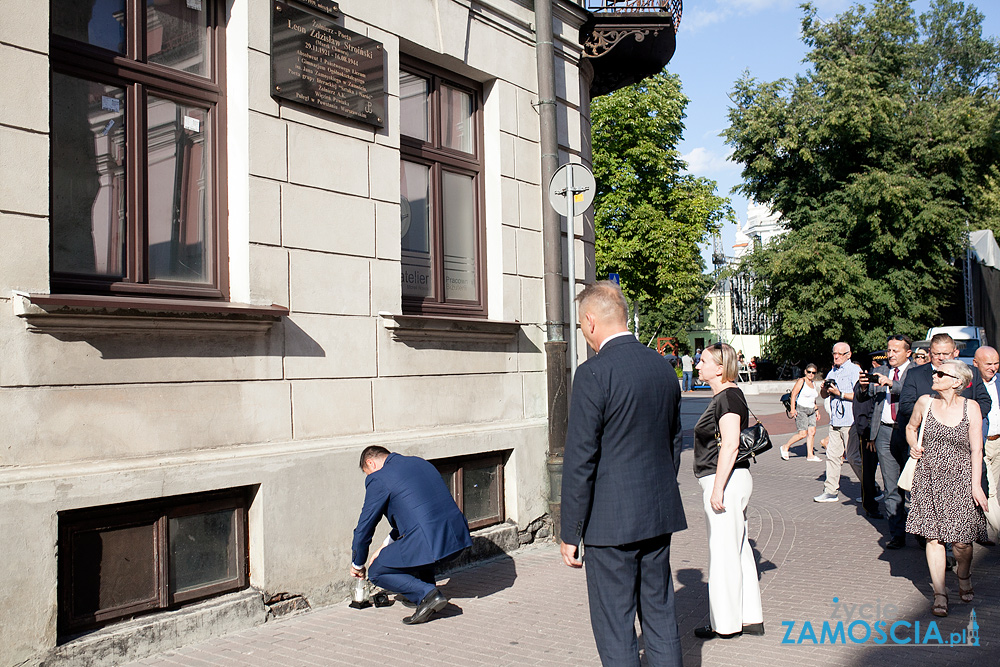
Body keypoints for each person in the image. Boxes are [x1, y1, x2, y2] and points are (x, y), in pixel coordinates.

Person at [560, 281, 686, 667]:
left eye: (582, 326)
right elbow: (673, 442)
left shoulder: (593, 373)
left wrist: (570, 532)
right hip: (657, 514)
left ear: (591, 322)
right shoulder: (663, 368)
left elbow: (581, 458)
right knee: (661, 616)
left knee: (615, 626)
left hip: (609, 525)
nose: (584, 333)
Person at [350, 446, 472, 625]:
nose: (369, 477)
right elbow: (414, 515)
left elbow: (365, 527)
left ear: (370, 462)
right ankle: (425, 588)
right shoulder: (419, 463)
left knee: (377, 570)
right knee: (417, 543)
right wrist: (384, 546)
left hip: (428, 541)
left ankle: (427, 595)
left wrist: (357, 563)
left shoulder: (378, 478)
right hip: (457, 537)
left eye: (367, 472)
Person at [692, 343, 764, 639]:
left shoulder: (727, 397)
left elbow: (731, 444)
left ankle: (725, 623)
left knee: (722, 553)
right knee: (739, 548)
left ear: (719, 368)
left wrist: (717, 488)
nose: (698, 365)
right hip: (733, 479)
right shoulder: (728, 395)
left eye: (704, 361)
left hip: (726, 479)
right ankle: (749, 617)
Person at [905, 360, 988, 617]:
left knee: (962, 543)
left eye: (941, 373)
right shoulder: (925, 403)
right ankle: (940, 593)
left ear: (957, 382)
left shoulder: (971, 408)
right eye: (935, 372)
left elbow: (977, 449)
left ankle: (964, 576)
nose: (935, 375)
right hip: (928, 479)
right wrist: (912, 445)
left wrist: (976, 486)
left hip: (961, 482)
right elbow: (910, 428)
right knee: (933, 537)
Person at [855, 336, 913, 542]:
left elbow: (912, 395)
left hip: (908, 433)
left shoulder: (916, 371)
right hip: (884, 432)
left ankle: (922, 535)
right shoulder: (878, 371)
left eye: (896, 350)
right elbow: (866, 400)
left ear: (908, 352)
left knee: (914, 485)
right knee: (891, 486)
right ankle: (897, 534)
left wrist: (892, 384)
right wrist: (862, 387)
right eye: (889, 350)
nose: (891, 354)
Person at [814, 343, 862, 503]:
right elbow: (824, 396)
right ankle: (830, 491)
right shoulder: (832, 371)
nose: (836, 357)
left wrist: (839, 393)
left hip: (850, 421)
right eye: (834, 353)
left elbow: (859, 396)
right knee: (832, 456)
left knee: (854, 457)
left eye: (840, 354)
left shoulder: (855, 371)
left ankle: (870, 487)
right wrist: (824, 388)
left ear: (849, 354)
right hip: (836, 421)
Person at [973, 346, 1000, 543]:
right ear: (976, 364)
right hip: (979, 445)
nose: (993, 368)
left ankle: (980, 531)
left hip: (998, 442)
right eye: (988, 364)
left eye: (996, 363)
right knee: (989, 491)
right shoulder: (968, 385)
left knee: (995, 492)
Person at [780, 363, 822, 461]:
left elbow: (813, 399)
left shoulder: (814, 384)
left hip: (811, 410)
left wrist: (816, 410)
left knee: (812, 432)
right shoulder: (801, 381)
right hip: (801, 409)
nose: (811, 374)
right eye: (809, 372)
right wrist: (792, 409)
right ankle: (785, 447)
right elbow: (794, 394)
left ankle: (810, 455)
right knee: (803, 433)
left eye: (813, 372)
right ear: (805, 372)